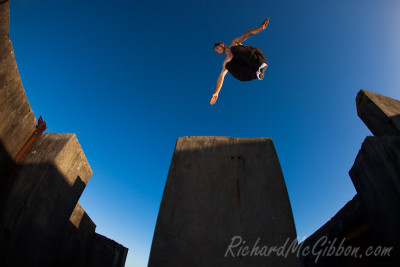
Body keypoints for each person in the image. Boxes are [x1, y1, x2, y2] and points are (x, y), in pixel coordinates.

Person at [210, 18, 269, 105]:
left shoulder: (233, 42)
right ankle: (257, 72)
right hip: (251, 69)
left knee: (233, 49)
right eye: (216, 51)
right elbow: (221, 77)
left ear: (222, 44)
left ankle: (260, 65)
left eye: (217, 48)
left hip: (256, 56)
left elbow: (246, 34)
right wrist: (216, 92)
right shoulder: (226, 61)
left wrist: (260, 28)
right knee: (228, 65)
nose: (218, 50)